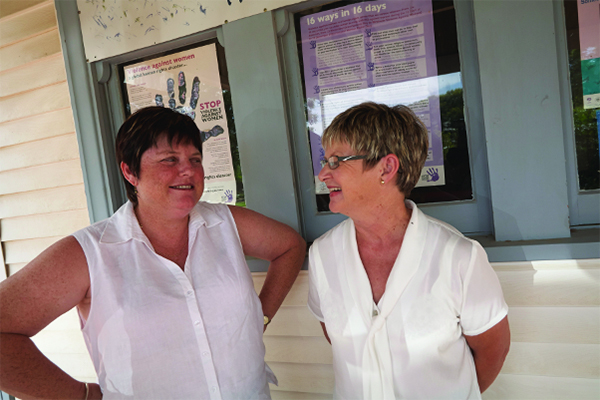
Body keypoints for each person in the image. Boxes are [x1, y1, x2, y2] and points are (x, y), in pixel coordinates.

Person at [0, 107, 306, 400]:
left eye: (195, 158)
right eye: (169, 159)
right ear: (130, 172)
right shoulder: (92, 252)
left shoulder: (225, 223)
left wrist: (259, 317)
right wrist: (78, 396)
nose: (188, 170)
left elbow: (290, 246)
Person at [307, 102, 509, 399]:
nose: (324, 173)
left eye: (337, 161)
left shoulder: (458, 257)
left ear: (386, 168)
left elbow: (493, 349)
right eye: (325, 161)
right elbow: (337, 338)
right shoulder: (322, 255)